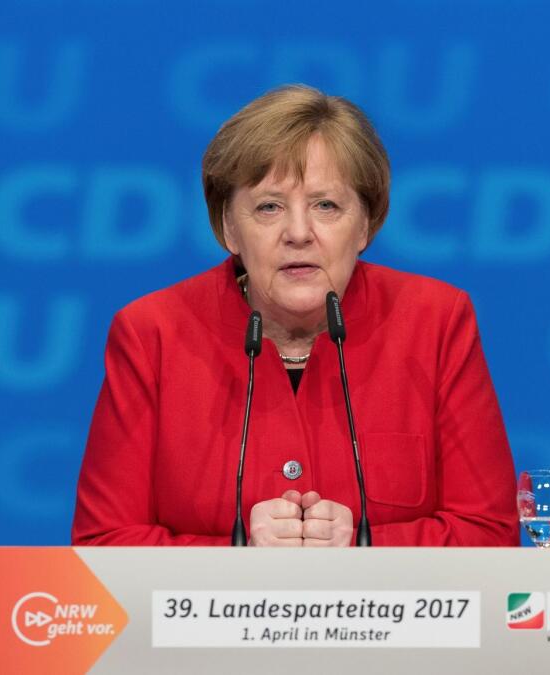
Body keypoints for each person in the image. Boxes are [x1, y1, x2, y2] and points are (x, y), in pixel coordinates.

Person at [71, 85, 518, 547]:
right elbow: (103, 544)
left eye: (326, 205)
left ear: (365, 223)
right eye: (269, 207)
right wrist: (235, 555)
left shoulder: (435, 321)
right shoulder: (153, 333)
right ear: (228, 227)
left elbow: (490, 536)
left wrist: (366, 549)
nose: (299, 233)